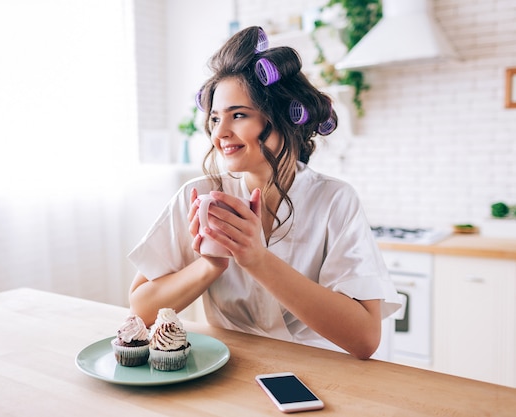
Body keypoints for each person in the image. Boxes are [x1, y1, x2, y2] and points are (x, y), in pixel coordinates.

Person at [128, 26, 401, 360]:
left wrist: (257, 260)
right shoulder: (199, 195)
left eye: (238, 115)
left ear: (286, 116)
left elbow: (365, 339)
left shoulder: (334, 200)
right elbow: (140, 310)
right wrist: (209, 267)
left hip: (323, 378)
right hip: (228, 372)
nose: (220, 134)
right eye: (215, 119)